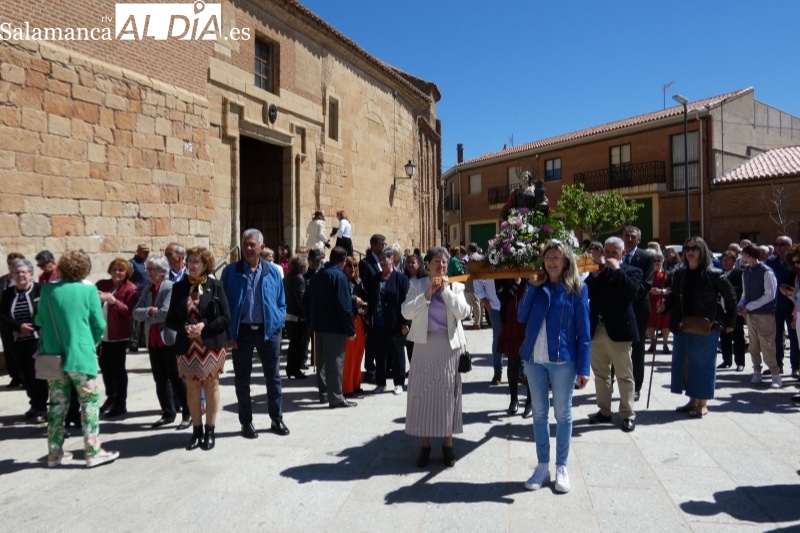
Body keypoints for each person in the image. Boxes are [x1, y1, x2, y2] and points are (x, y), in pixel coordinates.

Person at [517, 241, 591, 493]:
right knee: (539, 413)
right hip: (534, 358)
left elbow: (584, 332)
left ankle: (561, 466)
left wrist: (584, 368)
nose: (550, 262)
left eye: (556, 257)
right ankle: (542, 466)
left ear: (566, 260)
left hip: (563, 360)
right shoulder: (537, 287)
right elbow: (520, 316)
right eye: (547, 257)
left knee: (562, 414)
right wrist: (530, 287)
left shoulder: (577, 289)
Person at [35, 250, 119, 468]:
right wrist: (91, 342)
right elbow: (98, 324)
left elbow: (40, 319)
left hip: (53, 355)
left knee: (56, 405)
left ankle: (54, 453)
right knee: (89, 402)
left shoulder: (48, 290)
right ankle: (92, 450)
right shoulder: (89, 290)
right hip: (81, 355)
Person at [402, 247, 470, 468]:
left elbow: (464, 312)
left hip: (448, 348)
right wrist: (427, 295)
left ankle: (448, 446)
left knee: (447, 397)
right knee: (423, 395)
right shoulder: (417, 285)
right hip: (424, 346)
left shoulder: (456, 286)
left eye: (444, 262)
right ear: (428, 264)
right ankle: (425, 446)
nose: (441, 265)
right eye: (437, 261)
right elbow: (406, 311)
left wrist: (446, 292)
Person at [221, 229, 289, 439]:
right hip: (241, 332)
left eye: (252, 244)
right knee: (242, 378)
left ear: (262, 246)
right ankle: (246, 422)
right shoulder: (230, 272)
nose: (248, 248)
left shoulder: (272, 271)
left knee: (273, 377)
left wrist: (277, 323)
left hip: (268, 331)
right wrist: (228, 333)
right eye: (245, 244)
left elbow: (281, 302)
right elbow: (222, 304)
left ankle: (276, 418)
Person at [659, 237, 737, 417]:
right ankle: (692, 400)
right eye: (687, 248)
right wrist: (665, 307)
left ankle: (702, 404)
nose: (690, 252)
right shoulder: (680, 273)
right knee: (687, 364)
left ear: (702, 251)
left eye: (695, 248)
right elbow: (674, 296)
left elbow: (731, 298)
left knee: (703, 364)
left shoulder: (714, 274)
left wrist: (730, 322)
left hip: (706, 326)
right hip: (683, 324)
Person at [166, 247, 231, 450]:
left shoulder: (216, 286)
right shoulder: (179, 287)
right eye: (190, 261)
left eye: (196, 261)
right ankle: (197, 430)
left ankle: (210, 430)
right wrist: (185, 327)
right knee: (193, 387)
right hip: (188, 346)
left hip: (211, 345)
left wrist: (204, 326)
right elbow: (170, 320)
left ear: (206, 265)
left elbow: (226, 318)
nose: (191, 265)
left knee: (211, 386)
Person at [585, 236, 642, 433]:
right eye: (606, 252)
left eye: (613, 252)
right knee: (601, 374)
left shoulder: (631, 271)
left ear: (622, 253)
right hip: (598, 329)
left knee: (624, 375)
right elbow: (587, 292)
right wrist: (595, 274)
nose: (609, 255)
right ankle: (604, 411)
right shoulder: (599, 271)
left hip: (620, 330)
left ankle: (627, 415)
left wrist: (617, 270)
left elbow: (632, 292)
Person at [132, 254, 190, 429]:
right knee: (160, 379)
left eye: (151, 269)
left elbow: (166, 312)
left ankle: (188, 413)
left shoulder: (170, 287)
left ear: (162, 271)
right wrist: (150, 310)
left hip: (169, 340)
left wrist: (148, 315)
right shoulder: (147, 290)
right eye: (147, 268)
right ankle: (168, 412)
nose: (147, 272)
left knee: (177, 378)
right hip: (153, 340)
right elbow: (135, 312)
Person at [304, 246, 357, 408]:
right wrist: (350, 329)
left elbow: (306, 300)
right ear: (343, 260)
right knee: (335, 362)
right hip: (334, 328)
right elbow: (344, 306)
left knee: (322, 362)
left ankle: (325, 394)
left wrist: (312, 321)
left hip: (319, 326)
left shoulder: (318, 275)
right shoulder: (339, 277)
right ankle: (336, 397)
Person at [1, 258, 46, 422]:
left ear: (30, 274)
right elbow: (2, 315)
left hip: (38, 339)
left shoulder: (40, 290)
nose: (20, 275)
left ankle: (42, 407)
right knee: (24, 374)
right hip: (16, 340)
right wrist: (18, 327)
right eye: (16, 273)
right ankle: (34, 404)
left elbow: (45, 312)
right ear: (12, 275)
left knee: (37, 373)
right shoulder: (7, 294)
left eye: (23, 272)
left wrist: (31, 327)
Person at [96, 258, 139, 418]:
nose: (117, 273)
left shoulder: (131, 288)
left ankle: (121, 403)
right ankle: (111, 397)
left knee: (118, 370)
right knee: (105, 368)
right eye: (114, 269)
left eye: (121, 270)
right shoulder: (102, 284)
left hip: (118, 335)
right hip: (102, 335)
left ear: (127, 272)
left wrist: (113, 301)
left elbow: (130, 312)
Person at [365, 246, 410, 395]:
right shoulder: (375, 279)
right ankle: (380, 382)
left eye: (385, 258)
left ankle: (399, 383)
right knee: (380, 354)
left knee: (397, 354)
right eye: (380, 259)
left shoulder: (401, 279)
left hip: (395, 323)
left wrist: (405, 322)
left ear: (392, 259)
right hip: (378, 323)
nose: (382, 261)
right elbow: (370, 299)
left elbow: (406, 301)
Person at [737, 244, 781, 388]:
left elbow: (770, 295)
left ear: (749, 255)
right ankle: (757, 370)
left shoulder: (766, 272)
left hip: (765, 314)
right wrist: (741, 305)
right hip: (750, 315)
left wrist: (749, 306)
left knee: (767, 344)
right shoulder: (746, 272)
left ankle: (775, 374)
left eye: (743, 254)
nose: (742, 257)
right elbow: (745, 294)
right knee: (753, 345)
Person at [621, 226, 654, 402]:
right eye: (626, 235)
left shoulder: (646, 257)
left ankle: (636, 387)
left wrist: (626, 296)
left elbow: (646, 284)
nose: (629, 239)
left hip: (638, 308)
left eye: (633, 236)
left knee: (637, 349)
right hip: (618, 309)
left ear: (638, 240)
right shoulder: (617, 254)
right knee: (616, 347)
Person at [496, 277, 532, 418]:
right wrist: (515, 284)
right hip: (510, 321)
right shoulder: (502, 274)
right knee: (512, 361)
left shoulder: (528, 273)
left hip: (528, 322)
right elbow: (502, 297)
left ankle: (530, 402)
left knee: (530, 363)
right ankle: (514, 400)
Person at [766, 235, 798, 377]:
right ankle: (777, 366)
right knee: (776, 336)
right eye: (776, 244)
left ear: (789, 246)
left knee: (794, 337)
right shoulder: (770, 262)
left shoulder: (795, 262)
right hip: (776, 304)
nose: (778, 247)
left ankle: (796, 367)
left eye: (782, 244)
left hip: (793, 304)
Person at [358, 233, 386, 382]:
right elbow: (365, 285)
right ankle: (370, 369)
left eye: (384, 244)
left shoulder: (384, 261)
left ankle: (384, 367)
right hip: (372, 305)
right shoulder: (365, 263)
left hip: (383, 305)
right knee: (371, 340)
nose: (384, 246)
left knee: (382, 338)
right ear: (373, 245)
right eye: (381, 244)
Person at [343, 256, 367, 396]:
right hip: (348, 321)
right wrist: (355, 299)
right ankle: (347, 387)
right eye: (349, 266)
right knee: (349, 356)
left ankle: (356, 383)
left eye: (355, 266)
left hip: (359, 320)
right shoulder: (342, 281)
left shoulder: (358, 282)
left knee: (358, 353)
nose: (352, 268)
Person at [718, 250, 746, 371]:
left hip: (735, 309)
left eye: (727, 261)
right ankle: (727, 360)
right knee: (724, 336)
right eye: (723, 261)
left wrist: (725, 291)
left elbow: (740, 289)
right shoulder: (720, 273)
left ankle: (740, 362)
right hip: (722, 309)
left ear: (734, 261)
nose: (724, 263)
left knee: (738, 336)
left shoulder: (739, 273)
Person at [1, 253, 26, 388]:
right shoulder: (3, 281)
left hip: (20, 321)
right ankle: (15, 376)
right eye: (10, 264)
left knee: (23, 351)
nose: (12, 266)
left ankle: (25, 377)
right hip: (5, 322)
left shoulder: (24, 280)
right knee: (9, 351)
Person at [284, 254, 309, 379]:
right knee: (298, 344)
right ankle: (295, 369)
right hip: (298, 316)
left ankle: (291, 368)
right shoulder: (299, 279)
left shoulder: (288, 277)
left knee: (293, 344)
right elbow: (301, 299)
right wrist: (307, 314)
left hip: (290, 314)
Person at [780, 244, 800, 401]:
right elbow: (798, 300)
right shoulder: (798, 275)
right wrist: (790, 295)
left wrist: (796, 293)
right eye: (794, 262)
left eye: (799, 261)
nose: (797, 265)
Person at [475, 277, 502, 384]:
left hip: (513, 304)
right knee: (498, 339)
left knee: (518, 338)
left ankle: (520, 371)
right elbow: (477, 280)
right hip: (494, 307)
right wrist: (487, 305)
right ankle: (497, 372)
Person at [402, 252, 428, 363]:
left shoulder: (425, 279)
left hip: (421, 319)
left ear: (419, 264)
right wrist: (404, 322)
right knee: (410, 348)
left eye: (413, 262)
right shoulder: (403, 279)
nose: (410, 265)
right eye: (408, 262)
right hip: (408, 318)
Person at [647, 251, 671, 354]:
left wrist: (662, 291)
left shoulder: (668, 273)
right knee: (650, 323)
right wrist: (650, 290)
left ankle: (665, 344)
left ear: (662, 261)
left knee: (665, 324)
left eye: (659, 260)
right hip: (650, 301)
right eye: (655, 260)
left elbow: (671, 288)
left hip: (663, 302)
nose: (657, 262)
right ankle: (653, 343)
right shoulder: (648, 273)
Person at [128, 244, 151, 352]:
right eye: (144, 252)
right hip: (136, 293)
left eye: (147, 252)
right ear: (138, 252)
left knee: (146, 316)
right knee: (136, 318)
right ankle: (134, 341)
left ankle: (143, 339)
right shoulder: (132, 264)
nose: (146, 254)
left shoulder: (147, 263)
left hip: (147, 293)